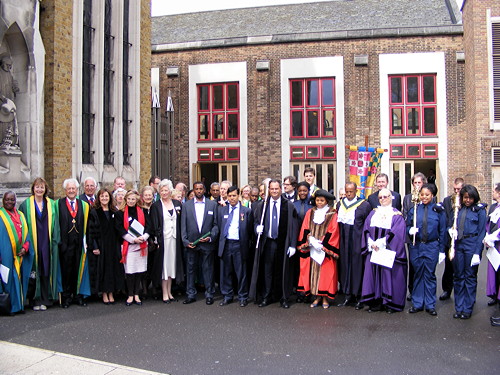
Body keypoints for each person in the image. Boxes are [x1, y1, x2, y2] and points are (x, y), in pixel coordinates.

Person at [250, 179, 299, 308]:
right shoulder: (262, 205)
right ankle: (267, 296)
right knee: (267, 271)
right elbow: (255, 222)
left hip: (283, 243)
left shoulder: (288, 206)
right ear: (269, 190)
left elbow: (294, 226)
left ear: (281, 189)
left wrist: (293, 244)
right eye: (272, 189)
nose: (274, 191)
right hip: (268, 242)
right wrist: (257, 228)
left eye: (276, 189)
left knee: (283, 271)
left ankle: (283, 297)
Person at [360, 188, 407, 313]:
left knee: (388, 275)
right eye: (380, 197)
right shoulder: (373, 213)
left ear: (391, 197)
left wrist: (382, 243)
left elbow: (397, 233)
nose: (383, 199)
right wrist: (370, 243)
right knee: (374, 275)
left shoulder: (396, 215)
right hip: (374, 250)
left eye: (385, 197)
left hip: (387, 251)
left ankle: (390, 304)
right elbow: (366, 228)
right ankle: (377, 302)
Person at [19, 178, 61, 311]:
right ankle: (34, 300)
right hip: (33, 242)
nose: (39, 190)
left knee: (46, 269)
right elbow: (23, 225)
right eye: (37, 187)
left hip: (47, 243)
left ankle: (46, 299)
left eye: (42, 187)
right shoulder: (26, 205)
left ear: (45, 189)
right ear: (33, 189)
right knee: (34, 271)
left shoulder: (51, 204)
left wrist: (55, 241)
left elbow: (56, 225)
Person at [406, 184, 446, 316]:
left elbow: (442, 231)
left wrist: (441, 250)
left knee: (429, 275)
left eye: (427, 195)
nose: (424, 197)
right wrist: (409, 230)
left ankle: (430, 304)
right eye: (422, 194)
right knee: (418, 274)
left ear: (432, 196)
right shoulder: (415, 209)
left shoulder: (438, 211)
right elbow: (407, 226)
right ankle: (417, 303)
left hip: (431, 246)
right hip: (417, 246)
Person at [297, 189, 340, 309]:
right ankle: (316, 297)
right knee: (313, 273)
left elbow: (334, 230)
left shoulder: (332, 213)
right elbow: (305, 227)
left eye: (322, 200)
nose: (319, 202)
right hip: (312, 247)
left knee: (325, 273)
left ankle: (325, 298)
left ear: (327, 201)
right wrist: (310, 240)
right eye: (317, 200)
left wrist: (323, 244)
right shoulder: (310, 212)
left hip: (324, 248)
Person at [449, 184, 486, 319]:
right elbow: (452, 223)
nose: (468, 200)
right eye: (465, 198)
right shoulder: (459, 209)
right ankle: (459, 307)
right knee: (458, 276)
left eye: (470, 198)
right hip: (459, 244)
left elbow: (482, 232)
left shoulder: (479, 211)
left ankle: (467, 308)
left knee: (470, 277)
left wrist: (477, 252)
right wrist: (451, 230)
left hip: (472, 244)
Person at [181, 181, 219, 305]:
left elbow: (215, 225)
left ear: (204, 190)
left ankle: (209, 294)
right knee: (191, 269)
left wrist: (211, 237)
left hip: (206, 243)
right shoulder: (186, 206)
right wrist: (185, 241)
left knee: (208, 269)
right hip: (192, 243)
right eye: (196, 189)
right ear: (193, 190)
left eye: (201, 189)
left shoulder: (212, 205)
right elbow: (183, 226)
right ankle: (190, 294)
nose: (198, 191)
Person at [336, 182, 372, 308]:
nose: (349, 194)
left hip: (357, 241)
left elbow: (368, 225)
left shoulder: (364, 205)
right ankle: (347, 294)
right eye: (347, 191)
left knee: (357, 268)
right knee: (345, 266)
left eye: (351, 191)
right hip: (344, 241)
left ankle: (359, 295)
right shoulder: (340, 204)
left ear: (356, 191)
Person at [217, 186, 253, 307]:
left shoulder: (246, 211)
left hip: (239, 244)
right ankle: (227, 295)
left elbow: (249, 230)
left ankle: (243, 296)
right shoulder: (222, 210)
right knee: (226, 271)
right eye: (230, 196)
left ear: (239, 196)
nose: (232, 198)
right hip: (226, 244)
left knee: (241, 272)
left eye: (234, 195)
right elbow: (219, 227)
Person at [57, 178, 91, 308]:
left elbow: (88, 225)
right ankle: (66, 297)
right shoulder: (58, 204)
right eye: (69, 189)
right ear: (65, 190)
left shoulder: (83, 205)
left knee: (78, 270)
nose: (71, 191)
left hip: (78, 244)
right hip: (65, 244)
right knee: (66, 271)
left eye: (73, 189)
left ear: (77, 190)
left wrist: (87, 242)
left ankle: (78, 296)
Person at [87, 188, 124, 305]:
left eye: (106, 196)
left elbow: (118, 229)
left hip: (113, 245)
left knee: (112, 269)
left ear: (110, 198)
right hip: (101, 245)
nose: (104, 198)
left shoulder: (114, 211)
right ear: (98, 198)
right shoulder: (94, 212)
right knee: (103, 269)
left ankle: (111, 292)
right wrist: (94, 246)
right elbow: (90, 231)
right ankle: (104, 293)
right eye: (102, 196)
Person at [114, 190, 151, 306]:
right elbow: (119, 229)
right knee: (130, 271)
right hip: (128, 245)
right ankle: (130, 295)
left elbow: (149, 226)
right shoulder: (120, 213)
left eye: (133, 199)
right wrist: (132, 239)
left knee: (139, 271)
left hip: (141, 244)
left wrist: (144, 237)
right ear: (125, 199)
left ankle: (137, 294)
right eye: (129, 199)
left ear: (137, 200)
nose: (131, 201)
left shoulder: (143, 211)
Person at [150, 179, 184, 303]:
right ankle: (164, 292)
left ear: (170, 191)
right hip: (163, 240)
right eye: (162, 190)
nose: (164, 193)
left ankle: (170, 292)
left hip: (174, 240)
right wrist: (156, 241)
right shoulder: (156, 206)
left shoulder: (176, 203)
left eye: (166, 190)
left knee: (171, 266)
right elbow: (154, 225)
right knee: (164, 267)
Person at [0, 191, 33, 314]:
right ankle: (10, 307)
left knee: (19, 279)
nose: (10, 202)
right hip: (5, 253)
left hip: (20, 254)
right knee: (8, 280)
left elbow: (27, 233)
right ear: (3, 201)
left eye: (12, 199)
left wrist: (25, 247)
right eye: (7, 199)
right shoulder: (1, 215)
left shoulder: (20, 215)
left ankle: (19, 306)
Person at [402, 172, 428, 301]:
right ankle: (412, 290)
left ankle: (423, 290)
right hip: (411, 235)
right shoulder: (407, 198)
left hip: (424, 236)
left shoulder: (428, 196)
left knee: (424, 263)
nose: (417, 185)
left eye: (419, 182)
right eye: (415, 183)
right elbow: (405, 213)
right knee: (412, 263)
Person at [439, 177, 464, 301]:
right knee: (448, 266)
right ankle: (446, 290)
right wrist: (449, 228)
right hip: (449, 237)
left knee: (461, 267)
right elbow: (445, 216)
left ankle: (462, 292)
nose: (456, 191)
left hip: (462, 238)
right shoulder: (447, 200)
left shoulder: (466, 199)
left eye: (459, 189)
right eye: (455, 189)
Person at [486, 183, 500, 326]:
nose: (493, 193)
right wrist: (487, 236)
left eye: (494, 191)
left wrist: (493, 237)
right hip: (494, 247)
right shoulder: (494, 208)